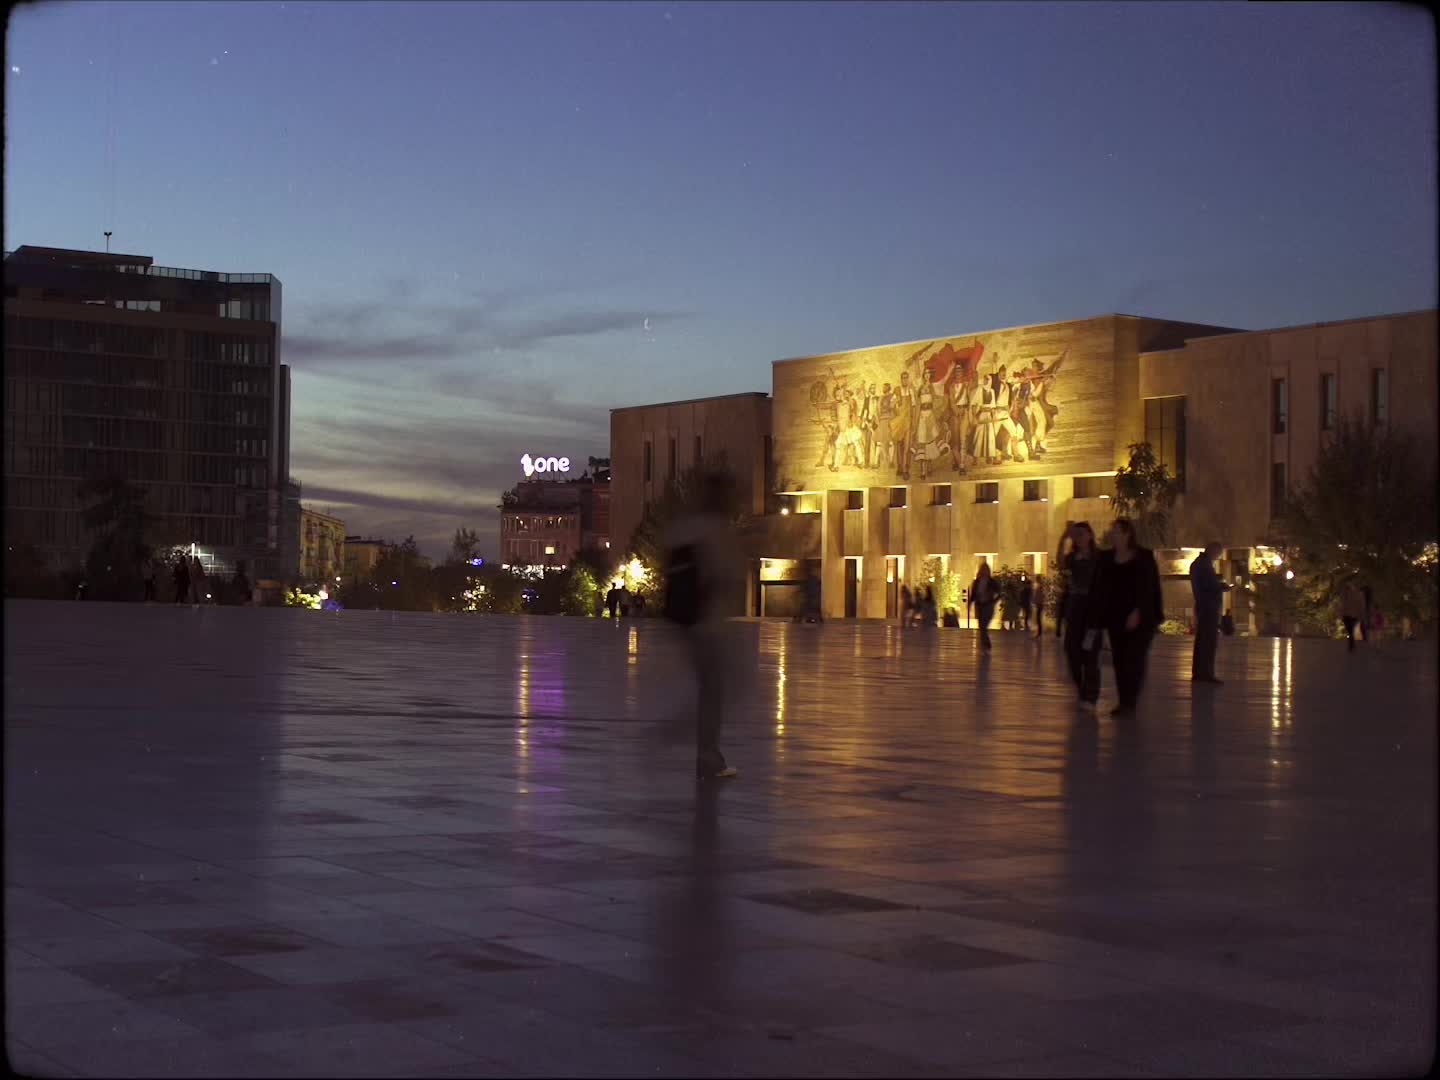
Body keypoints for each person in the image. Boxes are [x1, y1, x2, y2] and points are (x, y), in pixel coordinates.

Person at [663, 470, 741, 781]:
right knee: (715, 690)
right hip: (708, 623)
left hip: (689, 621)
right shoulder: (717, 530)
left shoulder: (689, 525)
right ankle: (704, 752)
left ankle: (703, 751)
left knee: (711, 689)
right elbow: (723, 578)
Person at [1088, 518, 1164, 717]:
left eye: (1116, 531)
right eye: (1111, 531)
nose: (1112, 534)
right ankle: (1124, 701)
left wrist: (1139, 611)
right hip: (1115, 616)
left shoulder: (1143, 557)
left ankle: (1130, 701)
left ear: (1127, 533)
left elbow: (1149, 588)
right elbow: (1100, 588)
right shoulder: (1106, 558)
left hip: (1141, 617)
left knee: (1135, 657)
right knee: (1119, 659)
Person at [1061, 522, 1101, 709]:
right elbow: (1060, 561)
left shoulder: (1098, 557)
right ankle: (1082, 689)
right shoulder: (1072, 558)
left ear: (1090, 536)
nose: (1079, 538)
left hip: (1093, 609)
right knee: (1072, 651)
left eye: (1082, 534)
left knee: (1090, 654)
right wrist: (1063, 537)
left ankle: (1091, 695)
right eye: (1076, 535)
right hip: (1076, 607)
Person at [1189, 542, 1232, 683]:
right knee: (1208, 641)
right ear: (1213, 551)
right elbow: (1210, 585)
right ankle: (1206, 673)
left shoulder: (1198, 564)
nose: (1218, 557)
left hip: (1203, 606)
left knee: (1202, 641)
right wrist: (1222, 587)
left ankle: (1199, 673)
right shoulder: (1204, 565)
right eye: (1218, 553)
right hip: (1208, 607)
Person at [971, 563, 998, 651]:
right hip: (979, 606)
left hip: (988, 606)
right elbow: (973, 594)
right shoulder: (977, 581)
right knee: (981, 626)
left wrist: (994, 601)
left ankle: (986, 645)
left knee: (983, 626)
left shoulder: (991, 582)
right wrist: (970, 603)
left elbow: (999, 592)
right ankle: (984, 645)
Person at [1340, 577, 1366, 651]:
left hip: (1348, 615)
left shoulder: (1350, 594)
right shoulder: (1355, 594)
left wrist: (1341, 613)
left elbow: (1343, 605)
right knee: (1350, 629)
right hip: (1351, 615)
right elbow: (1360, 605)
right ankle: (1351, 642)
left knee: (1350, 629)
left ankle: (1351, 643)